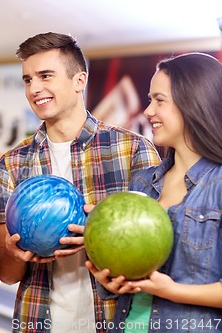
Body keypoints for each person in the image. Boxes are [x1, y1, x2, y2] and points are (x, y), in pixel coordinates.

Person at [0, 32, 161, 333]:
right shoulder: (12, 164)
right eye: (28, 80)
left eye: (45, 76)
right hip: (38, 321)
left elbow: (158, 254)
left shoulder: (133, 150)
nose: (34, 89)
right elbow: (6, 273)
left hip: (114, 321)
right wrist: (15, 253)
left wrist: (104, 234)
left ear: (79, 80)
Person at [86, 52, 222, 332]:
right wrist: (111, 279)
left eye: (159, 100)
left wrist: (172, 290)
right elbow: (132, 275)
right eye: (150, 100)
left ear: (194, 103)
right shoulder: (142, 182)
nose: (148, 111)